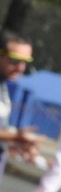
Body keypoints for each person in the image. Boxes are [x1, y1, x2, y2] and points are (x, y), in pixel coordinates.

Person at [0, 31, 39, 172]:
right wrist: (16, 136)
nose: (21, 68)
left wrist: (15, 143)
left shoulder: (4, 87)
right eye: (15, 60)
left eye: (25, 62)